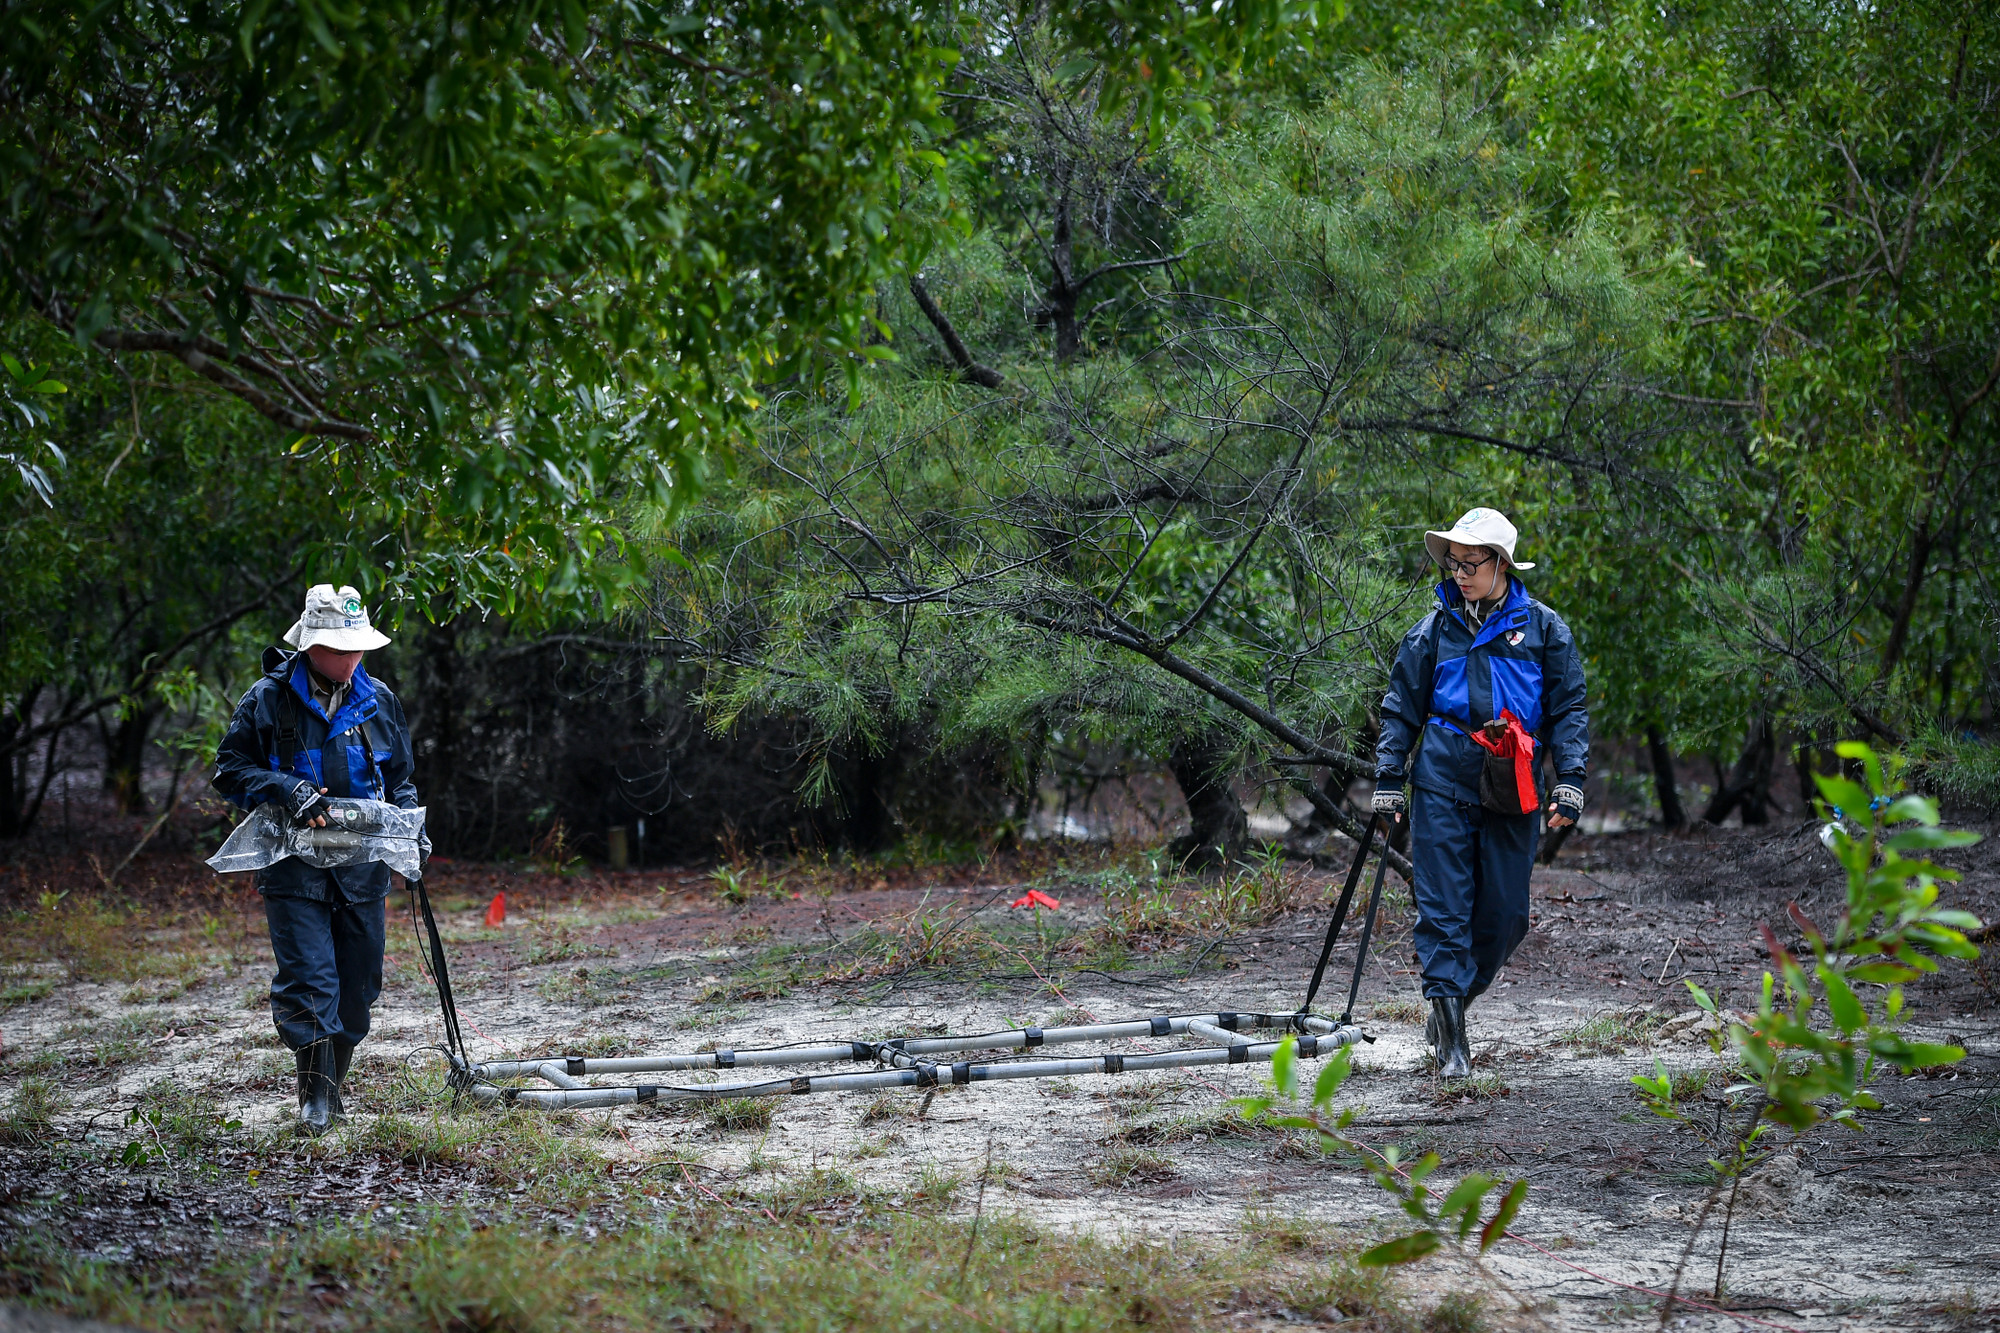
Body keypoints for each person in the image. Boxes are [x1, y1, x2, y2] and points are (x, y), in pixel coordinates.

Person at [1371, 509, 1588, 1078]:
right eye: (1452, 563)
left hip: (1513, 781)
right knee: (1443, 908)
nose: (1459, 573)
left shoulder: (1544, 630)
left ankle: (1452, 1007)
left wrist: (1570, 782)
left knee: (1507, 915)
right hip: (1442, 778)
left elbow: (1568, 711)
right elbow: (1400, 710)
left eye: (1471, 563)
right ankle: (1453, 1051)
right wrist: (1389, 783)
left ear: (1502, 565)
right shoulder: (1431, 632)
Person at [212, 585, 418, 1133]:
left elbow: (401, 782)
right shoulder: (267, 699)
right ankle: (317, 1099)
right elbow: (229, 771)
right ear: (308, 645)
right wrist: (285, 788)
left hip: (362, 871)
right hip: (293, 868)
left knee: (358, 988)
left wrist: (409, 829)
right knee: (310, 981)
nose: (351, 659)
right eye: (338, 648)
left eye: (358, 648)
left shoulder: (380, 701)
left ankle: (335, 1083)